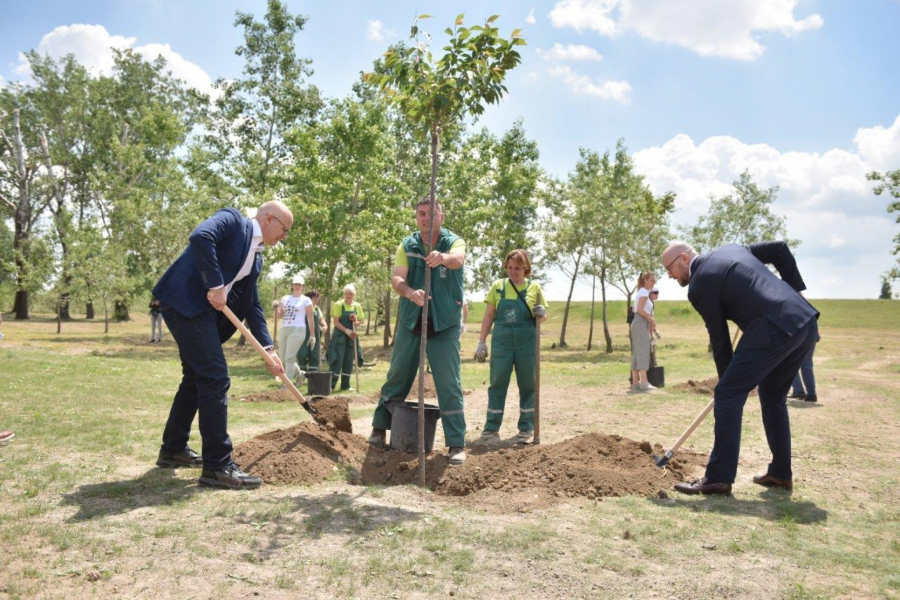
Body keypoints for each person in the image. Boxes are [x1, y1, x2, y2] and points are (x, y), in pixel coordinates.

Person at [152, 201, 291, 490]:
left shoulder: (257, 257)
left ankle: (173, 448)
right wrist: (214, 284)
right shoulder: (233, 220)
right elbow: (201, 237)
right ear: (269, 219)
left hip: (200, 314)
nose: (284, 236)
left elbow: (251, 303)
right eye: (284, 229)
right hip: (182, 303)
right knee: (215, 375)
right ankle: (218, 465)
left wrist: (268, 348)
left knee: (195, 378)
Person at [661, 240, 818, 496]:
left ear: (683, 259)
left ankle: (718, 478)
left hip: (773, 326)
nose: (669, 275)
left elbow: (720, 339)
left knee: (728, 394)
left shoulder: (698, 285)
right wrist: (795, 291)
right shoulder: (733, 248)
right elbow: (779, 248)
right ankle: (780, 472)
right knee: (772, 396)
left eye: (669, 269)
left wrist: (727, 385)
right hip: (805, 320)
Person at [369, 198, 468, 464]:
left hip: (444, 321)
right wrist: (411, 292)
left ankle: (456, 444)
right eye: (421, 214)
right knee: (398, 375)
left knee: (448, 382)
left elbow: (458, 260)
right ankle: (379, 429)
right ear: (416, 217)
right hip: (412, 319)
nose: (426, 218)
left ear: (441, 217)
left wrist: (442, 258)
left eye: (431, 214)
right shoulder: (408, 244)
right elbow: (397, 278)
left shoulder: (453, 242)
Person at [474, 249, 548, 443]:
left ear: (526, 268)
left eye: (518, 268)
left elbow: (542, 317)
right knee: (497, 383)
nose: (513, 271)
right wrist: (481, 342)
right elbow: (489, 315)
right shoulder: (498, 286)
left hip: (527, 343)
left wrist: (542, 313)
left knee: (528, 385)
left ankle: (526, 428)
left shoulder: (535, 288)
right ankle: (491, 428)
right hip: (502, 343)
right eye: (510, 267)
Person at [273, 275, 315, 386]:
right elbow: (280, 315)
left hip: (298, 329)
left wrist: (312, 335)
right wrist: (276, 307)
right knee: (283, 358)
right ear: (292, 285)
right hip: (285, 328)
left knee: (289, 358)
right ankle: (299, 373)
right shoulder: (285, 298)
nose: (297, 286)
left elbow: (310, 319)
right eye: (295, 284)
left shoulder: (306, 300)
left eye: (299, 285)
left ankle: (287, 386)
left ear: (303, 287)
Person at [328, 284, 365, 391]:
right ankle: (330, 385)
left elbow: (361, 321)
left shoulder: (357, 306)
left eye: (351, 294)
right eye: (347, 294)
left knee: (348, 361)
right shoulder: (339, 305)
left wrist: (356, 320)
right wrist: (347, 331)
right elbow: (336, 322)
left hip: (351, 338)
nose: (348, 296)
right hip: (340, 336)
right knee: (337, 360)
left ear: (354, 295)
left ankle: (345, 385)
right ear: (344, 294)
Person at [630, 272, 658, 392]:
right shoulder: (644, 292)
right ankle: (644, 383)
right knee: (643, 351)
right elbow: (640, 309)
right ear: (645, 280)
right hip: (640, 323)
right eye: (651, 280)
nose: (653, 282)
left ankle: (635, 383)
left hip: (639, 323)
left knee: (637, 353)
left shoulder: (641, 292)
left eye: (654, 280)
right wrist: (651, 318)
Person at [296, 290, 328, 376]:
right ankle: (302, 372)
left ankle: (312, 375)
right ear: (311, 298)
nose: (318, 301)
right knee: (301, 354)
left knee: (314, 355)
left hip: (316, 335)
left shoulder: (317, 308)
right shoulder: (302, 307)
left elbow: (321, 320)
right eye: (317, 298)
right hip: (303, 334)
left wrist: (325, 326)